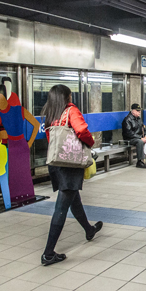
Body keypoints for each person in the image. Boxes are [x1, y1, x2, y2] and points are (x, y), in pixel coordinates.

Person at [40, 84, 102, 266]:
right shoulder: (70, 110)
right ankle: (48, 253)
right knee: (61, 207)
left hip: (56, 163)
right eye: (70, 96)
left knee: (74, 199)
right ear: (66, 97)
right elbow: (82, 131)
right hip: (70, 163)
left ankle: (89, 230)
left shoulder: (51, 113)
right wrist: (90, 144)